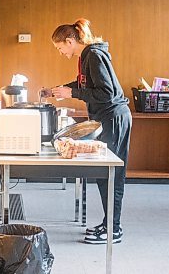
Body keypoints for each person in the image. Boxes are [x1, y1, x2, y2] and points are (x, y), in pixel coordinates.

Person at [42, 18, 132, 244]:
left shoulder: (94, 55)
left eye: (60, 47)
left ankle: (114, 229)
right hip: (105, 117)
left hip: (114, 116)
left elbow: (106, 94)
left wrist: (72, 94)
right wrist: (58, 90)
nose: (61, 52)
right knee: (104, 175)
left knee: (110, 174)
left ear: (70, 41)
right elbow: (84, 85)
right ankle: (109, 223)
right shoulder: (86, 57)